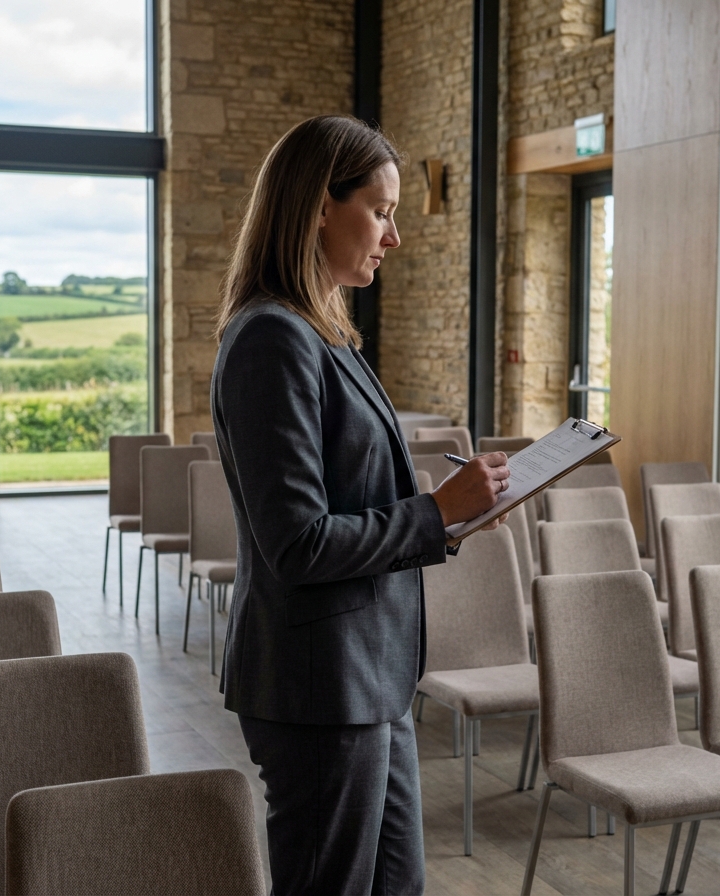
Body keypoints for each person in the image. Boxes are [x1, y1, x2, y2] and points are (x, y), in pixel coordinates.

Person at [211, 114, 510, 895]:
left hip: (370, 675)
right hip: (319, 688)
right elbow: (299, 542)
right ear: (317, 206)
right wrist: (435, 515)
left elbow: (359, 500)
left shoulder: (325, 333)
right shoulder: (271, 339)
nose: (394, 235)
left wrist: (455, 512)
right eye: (380, 210)